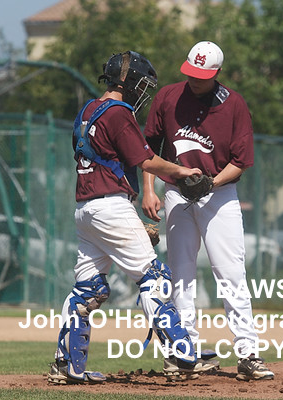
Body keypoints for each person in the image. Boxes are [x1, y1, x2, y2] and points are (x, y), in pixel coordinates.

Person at [47, 51, 218, 384]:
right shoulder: (118, 112)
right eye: (141, 84)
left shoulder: (87, 110)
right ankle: (183, 355)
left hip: (86, 209)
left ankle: (67, 364)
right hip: (110, 206)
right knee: (155, 277)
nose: (142, 92)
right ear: (125, 82)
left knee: (87, 290)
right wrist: (182, 170)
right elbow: (147, 160)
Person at [141, 41, 275, 381]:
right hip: (176, 193)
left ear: (217, 73)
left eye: (202, 76)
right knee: (181, 274)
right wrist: (149, 189)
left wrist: (211, 183)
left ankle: (248, 353)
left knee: (230, 273)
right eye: (191, 73)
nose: (195, 80)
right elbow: (149, 148)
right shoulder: (169, 97)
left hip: (220, 195)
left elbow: (241, 161)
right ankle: (183, 352)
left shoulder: (233, 104)